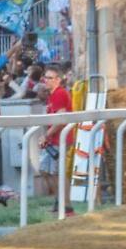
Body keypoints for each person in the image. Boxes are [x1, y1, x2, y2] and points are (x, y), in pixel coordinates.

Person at [38, 66, 73, 212]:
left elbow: (61, 118)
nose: (46, 80)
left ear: (58, 79)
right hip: (54, 140)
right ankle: (60, 202)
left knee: (57, 173)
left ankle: (66, 206)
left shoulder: (59, 94)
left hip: (61, 140)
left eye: (50, 78)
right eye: (45, 78)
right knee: (46, 171)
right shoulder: (52, 95)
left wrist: (46, 136)